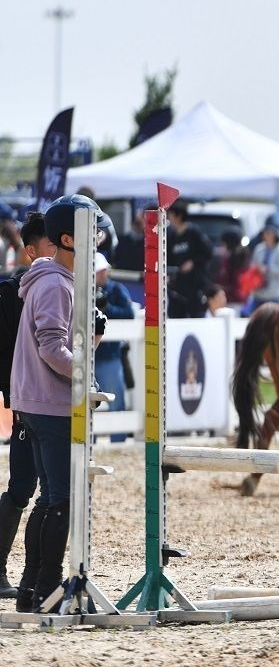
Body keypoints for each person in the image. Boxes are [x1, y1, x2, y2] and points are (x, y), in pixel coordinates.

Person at [11, 194, 111, 612]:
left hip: (36, 401)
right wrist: (87, 379)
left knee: (49, 497)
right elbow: (52, 347)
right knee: (61, 500)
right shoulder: (55, 283)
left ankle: (32, 590)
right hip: (49, 403)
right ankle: (47, 589)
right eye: (93, 235)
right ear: (68, 239)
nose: (99, 242)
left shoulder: (54, 279)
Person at [0, 214, 54, 599]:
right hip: (25, 403)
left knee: (48, 490)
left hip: (53, 404)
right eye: (52, 245)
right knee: (22, 487)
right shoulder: (11, 293)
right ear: (31, 251)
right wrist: (13, 398)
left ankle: (35, 578)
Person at [94, 252, 134, 413]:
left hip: (110, 354)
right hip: (88, 357)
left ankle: (119, 438)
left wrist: (108, 309)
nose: (102, 273)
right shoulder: (79, 289)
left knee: (116, 403)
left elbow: (129, 314)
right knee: (85, 405)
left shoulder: (116, 289)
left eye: (103, 270)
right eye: (99, 271)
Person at [166, 199, 213, 318]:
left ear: (179, 215)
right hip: (177, 288)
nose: (169, 218)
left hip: (195, 287)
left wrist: (193, 262)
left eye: (171, 215)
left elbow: (208, 252)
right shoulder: (171, 236)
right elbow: (169, 258)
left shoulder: (194, 233)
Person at [245, 223, 279, 316]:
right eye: (265, 233)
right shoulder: (259, 248)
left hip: (274, 292)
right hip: (258, 292)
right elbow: (253, 264)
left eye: (270, 233)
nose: (267, 236)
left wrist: (268, 269)